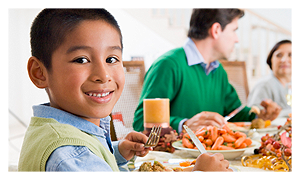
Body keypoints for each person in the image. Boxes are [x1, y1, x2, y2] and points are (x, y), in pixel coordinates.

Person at [18, 9, 231, 172]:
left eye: (112, 59)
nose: (103, 74)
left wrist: (116, 152)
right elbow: (82, 159)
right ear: (40, 73)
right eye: (81, 59)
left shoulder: (58, 131)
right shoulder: (72, 156)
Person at [133, 9, 281, 133]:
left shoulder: (218, 70)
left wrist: (259, 116)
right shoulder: (169, 65)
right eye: (234, 30)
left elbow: (234, 114)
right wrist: (184, 125)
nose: (237, 39)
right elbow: (141, 122)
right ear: (216, 30)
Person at [247, 40, 291, 117]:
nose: (284, 60)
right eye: (279, 55)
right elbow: (253, 115)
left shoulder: (290, 86)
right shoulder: (264, 85)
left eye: (291, 55)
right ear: (270, 60)